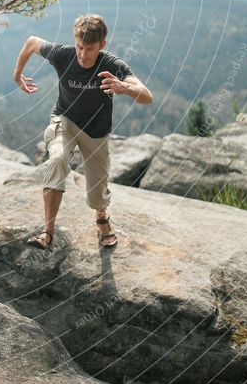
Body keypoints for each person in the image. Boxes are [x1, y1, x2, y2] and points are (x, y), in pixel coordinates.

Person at [13, 13, 153, 250]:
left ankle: (101, 216)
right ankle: (48, 232)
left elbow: (147, 96)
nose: (83, 54)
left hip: (96, 131)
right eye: (79, 47)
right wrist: (17, 76)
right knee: (57, 159)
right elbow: (31, 42)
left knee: (97, 193)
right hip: (64, 119)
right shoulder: (63, 54)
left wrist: (124, 87)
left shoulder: (111, 65)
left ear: (102, 45)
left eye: (89, 49)